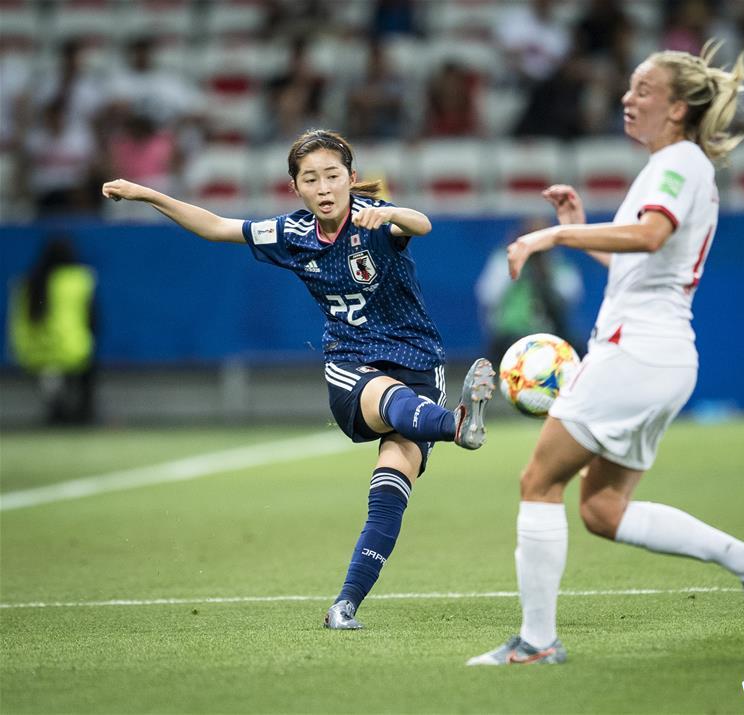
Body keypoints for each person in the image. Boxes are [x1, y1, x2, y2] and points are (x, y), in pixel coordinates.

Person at [468, 42, 744, 666]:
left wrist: (555, 232)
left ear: (677, 107)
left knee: (538, 481)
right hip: (662, 355)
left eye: (643, 88)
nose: (627, 97)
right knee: (603, 510)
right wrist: (584, 224)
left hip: (634, 353)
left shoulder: (678, 164)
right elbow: (641, 263)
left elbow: (649, 234)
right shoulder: (681, 165)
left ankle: (536, 643)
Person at [101, 128, 495, 629]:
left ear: (352, 179)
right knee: (383, 397)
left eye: (333, 176)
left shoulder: (375, 220)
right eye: (312, 179)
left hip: (419, 361)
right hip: (352, 363)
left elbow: (422, 223)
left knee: (391, 485)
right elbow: (217, 226)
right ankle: (456, 426)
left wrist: (390, 212)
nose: (324, 187)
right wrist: (147, 193)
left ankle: (345, 605)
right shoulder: (292, 234)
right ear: (297, 188)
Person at [8, 236, 97, 425]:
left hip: (30, 352)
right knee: (87, 358)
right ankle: (84, 412)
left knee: (54, 369)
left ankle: (56, 407)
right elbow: (93, 319)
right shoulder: (79, 279)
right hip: (68, 351)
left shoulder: (26, 281)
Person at [476, 217, 584, 369]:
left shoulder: (558, 265)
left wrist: (546, 275)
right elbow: (487, 295)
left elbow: (572, 296)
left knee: (575, 347)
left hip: (551, 336)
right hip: (513, 335)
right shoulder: (504, 261)